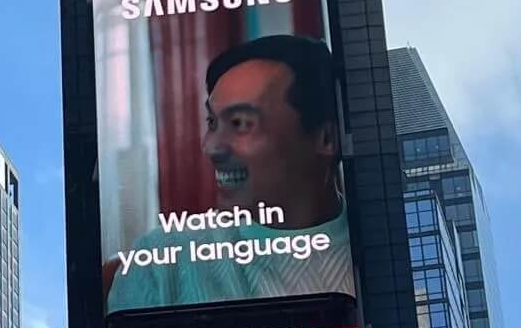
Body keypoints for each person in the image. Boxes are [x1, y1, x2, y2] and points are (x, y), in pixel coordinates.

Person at [107, 34, 354, 311]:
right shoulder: (159, 263)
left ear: (326, 138)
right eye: (212, 122)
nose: (211, 147)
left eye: (240, 123)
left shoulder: (379, 250)